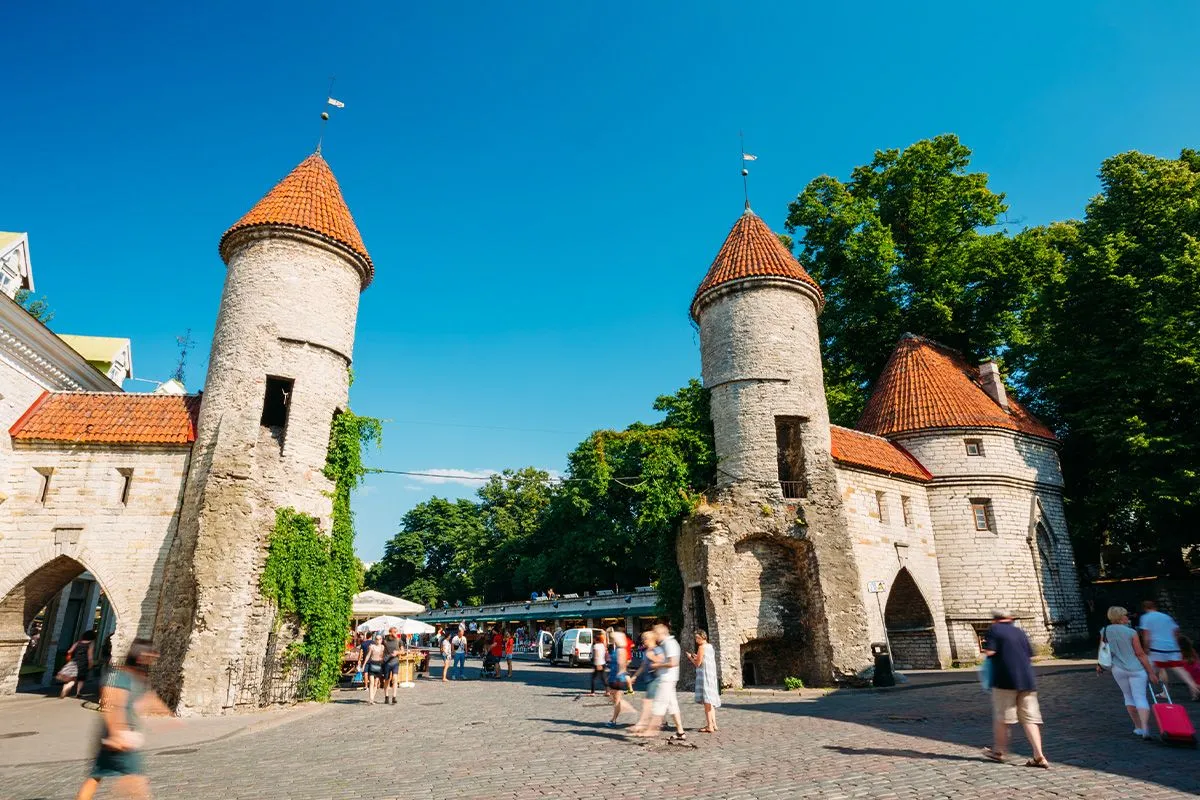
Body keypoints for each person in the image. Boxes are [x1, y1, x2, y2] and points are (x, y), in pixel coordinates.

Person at [74, 638, 172, 800]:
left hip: (124, 735)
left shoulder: (137, 676)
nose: (152, 660)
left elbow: (146, 699)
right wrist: (115, 732)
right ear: (138, 654)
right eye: (149, 656)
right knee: (135, 779)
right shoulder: (118, 674)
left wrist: (165, 716)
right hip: (119, 735)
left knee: (97, 776)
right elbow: (112, 704)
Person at [982, 610, 1048, 768]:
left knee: (1003, 718)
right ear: (1010, 618)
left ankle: (999, 752)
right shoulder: (1019, 631)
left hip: (1005, 680)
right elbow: (1030, 655)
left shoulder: (995, 630)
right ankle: (1039, 755)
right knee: (1030, 719)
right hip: (1027, 681)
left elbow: (990, 651)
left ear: (995, 620)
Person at [1096, 605, 1161, 738]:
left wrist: (1100, 665)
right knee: (1140, 697)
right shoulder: (1131, 632)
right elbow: (1140, 654)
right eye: (1125, 615)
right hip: (1136, 668)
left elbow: (1103, 650)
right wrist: (1151, 672)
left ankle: (1137, 727)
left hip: (1118, 669)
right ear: (1120, 617)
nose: (1127, 617)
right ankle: (1145, 727)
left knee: (1128, 696)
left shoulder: (1105, 631)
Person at [1138, 600, 1200, 701]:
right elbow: (1176, 631)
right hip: (1172, 647)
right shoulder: (1167, 617)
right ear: (1155, 607)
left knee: (1152, 670)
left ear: (1145, 608)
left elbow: (1146, 634)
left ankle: (1142, 691)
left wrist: (1146, 647)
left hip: (1156, 648)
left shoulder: (1146, 617)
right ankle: (1193, 686)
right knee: (1179, 669)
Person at [636, 623, 686, 740]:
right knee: (672, 706)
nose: (655, 637)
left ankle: (651, 731)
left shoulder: (669, 644)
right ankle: (680, 732)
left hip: (667, 679)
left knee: (659, 705)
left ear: (661, 633)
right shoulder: (665, 644)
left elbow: (673, 662)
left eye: (656, 634)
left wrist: (657, 664)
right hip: (668, 678)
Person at [687, 629, 721, 733]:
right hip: (711, 675)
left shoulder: (701, 647)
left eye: (697, 638)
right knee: (710, 702)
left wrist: (690, 658)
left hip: (705, 676)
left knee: (707, 703)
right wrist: (697, 657)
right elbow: (705, 660)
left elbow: (698, 664)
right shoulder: (709, 646)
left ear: (701, 637)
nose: (696, 640)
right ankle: (714, 724)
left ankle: (709, 726)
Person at [628, 631, 660, 735]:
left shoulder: (657, 649)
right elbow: (642, 666)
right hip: (649, 680)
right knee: (653, 704)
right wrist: (635, 676)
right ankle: (655, 725)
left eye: (644, 639)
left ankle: (642, 724)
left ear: (651, 639)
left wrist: (653, 659)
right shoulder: (647, 651)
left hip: (656, 680)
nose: (643, 641)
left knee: (648, 703)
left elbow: (663, 662)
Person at [606, 629, 637, 727]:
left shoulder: (620, 650)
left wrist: (619, 675)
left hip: (617, 677)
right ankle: (618, 715)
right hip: (614, 676)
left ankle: (613, 720)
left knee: (617, 700)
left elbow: (622, 664)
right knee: (615, 699)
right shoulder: (618, 649)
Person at [60, 630, 97, 699]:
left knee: (73, 678)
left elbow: (69, 651)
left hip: (74, 661)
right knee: (81, 679)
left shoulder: (78, 643)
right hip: (84, 662)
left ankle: (67, 686)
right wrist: (91, 663)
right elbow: (90, 655)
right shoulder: (91, 644)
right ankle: (78, 693)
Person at [363, 634, 386, 703]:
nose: (378, 640)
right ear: (375, 639)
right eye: (377, 639)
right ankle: (371, 699)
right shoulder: (372, 647)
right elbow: (368, 655)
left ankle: (372, 697)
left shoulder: (382, 647)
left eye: (379, 639)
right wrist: (364, 664)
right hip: (372, 664)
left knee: (376, 683)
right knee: (371, 682)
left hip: (379, 665)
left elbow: (384, 656)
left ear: (381, 640)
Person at [381, 627, 402, 704]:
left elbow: (402, 650)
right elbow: (381, 649)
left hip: (395, 662)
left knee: (395, 679)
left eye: (396, 632)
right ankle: (386, 696)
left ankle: (394, 697)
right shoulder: (385, 641)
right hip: (387, 662)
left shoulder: (399, 640)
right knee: (387, 680)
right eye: (394, 632)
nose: (396, 633)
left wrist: (397, 653)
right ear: (390, 632)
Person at [589, 630, 608, 695]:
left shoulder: (596, 646)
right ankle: (607, 691)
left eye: (593, 639)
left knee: (593, 678)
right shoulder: (602, 645)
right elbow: (604, 654)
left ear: (595, 639)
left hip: (598, 663)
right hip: (603, 663)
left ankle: (592, 692)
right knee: (603, 678)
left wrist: (597, 664)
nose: (593, 640)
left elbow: (596, 655)